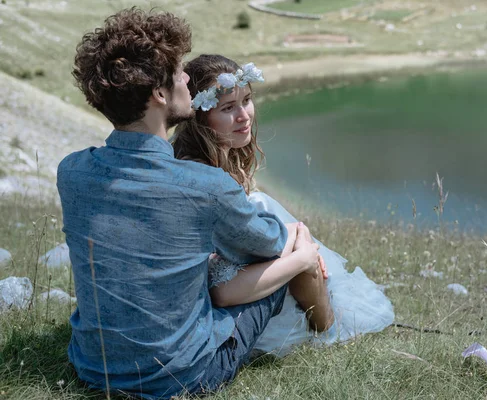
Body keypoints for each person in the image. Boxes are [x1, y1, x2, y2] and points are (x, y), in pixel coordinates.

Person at [58, 8, 330, 399]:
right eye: (180, 71)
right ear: (159, 94)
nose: (188, 78)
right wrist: (299, 241)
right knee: (287, 255)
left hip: (92, 367)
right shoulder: (203, 185)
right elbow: (268, 244)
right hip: (183, 377)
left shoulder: (71, 171)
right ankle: (330, 324)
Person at [172, 54, 395, 356]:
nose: (244, 115)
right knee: (295, 239)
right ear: (200, 118)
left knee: (281, 222)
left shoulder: (215, 159)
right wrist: (298, 247)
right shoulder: (199, 175)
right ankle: (325, 327)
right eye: (228, 108)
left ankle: (322, 317)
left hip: (232, 278)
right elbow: (216, 278)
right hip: (215, 299)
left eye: (247, 100)